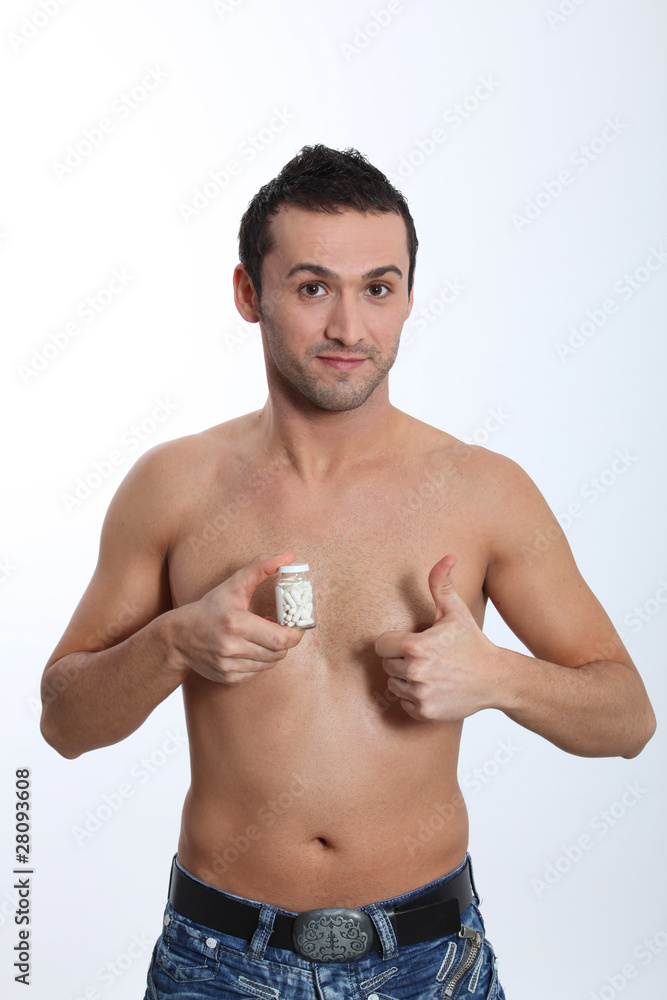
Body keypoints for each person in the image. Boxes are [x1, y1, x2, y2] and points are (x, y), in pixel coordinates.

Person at [40, 144, 655, 999]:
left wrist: (498, 678)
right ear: (248, 294)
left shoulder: (482, 490)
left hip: (425, 961)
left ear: (408, 295)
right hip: (218, 959)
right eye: (311, 287)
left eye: (378, 288)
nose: (348, 329)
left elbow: (628, 719)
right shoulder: (172, 486)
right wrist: (173, 644)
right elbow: (63, 723)